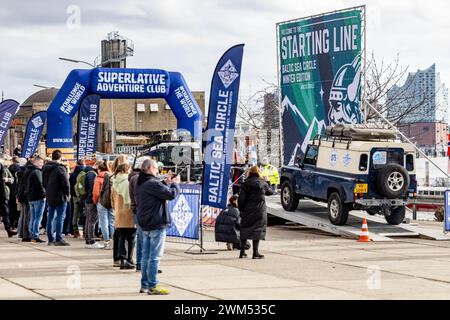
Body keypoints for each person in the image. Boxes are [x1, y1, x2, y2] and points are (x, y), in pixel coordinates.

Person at [136, 159, 180, 295]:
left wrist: (165, 182)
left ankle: (145, 284)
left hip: (145, 222)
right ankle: (153, 285)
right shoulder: (152, 183)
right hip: (156, 222)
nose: (158, 172)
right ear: (150, 169)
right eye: (156, 169)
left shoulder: (141, 181)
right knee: (154, 256)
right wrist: (175, 184)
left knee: (146, 256)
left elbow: (157, 190)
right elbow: (170, 195)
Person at [238, 166, 274, 259]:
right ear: (259, 172)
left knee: (245, 229)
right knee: (257, 230)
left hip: (247, 209)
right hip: (260, 210)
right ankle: (255, 253)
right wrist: (268, 182)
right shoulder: (263, 183)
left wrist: (241, 209)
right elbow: (270, 192)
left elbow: (241, 199)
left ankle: (242, 252)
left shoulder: (245, 184)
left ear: (249, 173)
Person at [42, 150, 71, 246]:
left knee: (50, 217)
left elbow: (44, 183)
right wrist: (68, 193)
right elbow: (66, 183)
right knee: (60, 217)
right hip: (60, 195)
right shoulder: (60, 168)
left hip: (50, 195)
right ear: (60, 157)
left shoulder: (45, 168)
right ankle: (58, 238)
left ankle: (50, 238)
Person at [111, 163, 136, 269]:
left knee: (122, 236)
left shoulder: (115, 181)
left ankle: (122, 259)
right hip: (128, 211)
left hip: (118, 212)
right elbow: (131, 198)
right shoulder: (128, 181)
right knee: (131, 238)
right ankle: (129, 259)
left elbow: (111, 200)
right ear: (127, 170)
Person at [129, 157, 151, 271]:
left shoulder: (133, 178)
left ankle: (140, 263)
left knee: (140, 237)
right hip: (140, 210)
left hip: (136, 210)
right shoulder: (138, 179)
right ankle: (142, 263)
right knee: (143, 238)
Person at [110, 155, 129, 267]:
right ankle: (123, 257)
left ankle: (116, 258)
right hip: (123, 206)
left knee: (118, 233)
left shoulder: (113, 177)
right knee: (125, 235)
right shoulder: (124, 178)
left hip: (116, 207)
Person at [93, 160, 114, 250]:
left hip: (101, 202)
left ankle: (106, 242)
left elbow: (95, 192)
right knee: (112, 222)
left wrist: (96, 201)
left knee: (103, 222)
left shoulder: (98, 178)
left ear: (99, 169)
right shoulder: (112, 176)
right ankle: (113, 240)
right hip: (111, 201)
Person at [26, 157, 46, 243]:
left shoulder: (29, 171)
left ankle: (32, 235)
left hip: (31, 198)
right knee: (37, 218)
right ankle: (35, 235)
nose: (42, 164)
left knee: (33, 217)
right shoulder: (37, 172)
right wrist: (44, 194)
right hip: (38, 198)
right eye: (40, 162)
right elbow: (40, 184)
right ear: (36, 162)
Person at [0, 161, 16, 238]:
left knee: (5, 212)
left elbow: (12, 179)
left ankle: (9, 230)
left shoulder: (5, 169)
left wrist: (7, 179)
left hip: (3, 193)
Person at [69, 160, 85, 238]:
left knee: (75, 213)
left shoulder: (72, 174)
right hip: (83, 196)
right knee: (85, 213)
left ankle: (75, 231)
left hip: (75, 196)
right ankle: (85, 231)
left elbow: (70, 186)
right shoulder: (85, 173)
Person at [8, 156, 21, 229]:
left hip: (10, 190)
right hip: (17, 190)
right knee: (18, 208)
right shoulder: (20, 169)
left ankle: (11, 223)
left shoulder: (8, 169)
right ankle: (17, 223)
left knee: (11, 207)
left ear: (12, 161)